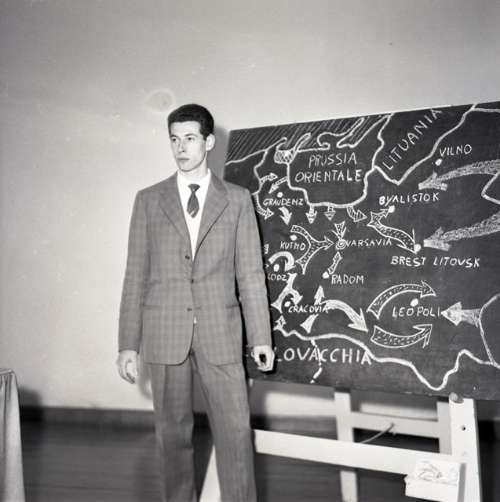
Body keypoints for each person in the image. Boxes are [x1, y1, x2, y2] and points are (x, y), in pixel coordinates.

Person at [117, 103, 274, 502]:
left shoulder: (237, 200)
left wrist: (261, 337)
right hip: (164, 333)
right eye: (174, 139)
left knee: (236, 435)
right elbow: (135, 275)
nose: (180, 148)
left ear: (208, 142)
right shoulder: (148, 200)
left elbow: (251, 274)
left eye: (189, 138)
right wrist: (127, 344)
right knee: (172, 437)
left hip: (221, 333)